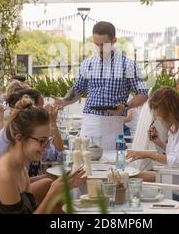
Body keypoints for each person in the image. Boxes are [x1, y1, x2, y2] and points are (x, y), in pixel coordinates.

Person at [0, 98, 85, 214]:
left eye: (48, 140)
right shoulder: (5, 175)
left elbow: (31, 209)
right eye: (42, 141)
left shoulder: (20, 168)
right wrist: (53, 193)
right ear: (19, 138)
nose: (47, 147)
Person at [54, 21, 148, 150]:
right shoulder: (88, 63)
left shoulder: (128, 65)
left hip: (113, 123)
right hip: (90, 121)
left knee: (111, 164)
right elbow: (77, 90)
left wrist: (126, 106)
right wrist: (64, 101)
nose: (100, 49)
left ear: (114, 40)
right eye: (96, 44)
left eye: (103, 44)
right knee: (85, 161)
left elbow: (143, 94)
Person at [0, 88, 64, 178]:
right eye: (41, 106)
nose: (44, 109)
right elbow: (58, 155)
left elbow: (57, 155)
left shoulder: (20, 166)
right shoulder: (6, 170)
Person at [126, 87, 179, 183]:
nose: (157, 117)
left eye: (159, 112)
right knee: (129, 176)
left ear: (170, 110)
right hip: (171, 175)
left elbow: (177, 161)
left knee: (130, 178)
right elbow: (174, 152)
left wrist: (148, 154)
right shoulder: (175, 125)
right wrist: (159, 142)